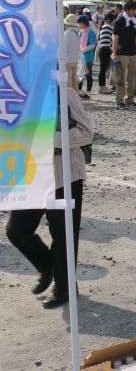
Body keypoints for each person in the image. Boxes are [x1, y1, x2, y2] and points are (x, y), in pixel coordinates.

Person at [6, 91, 92, 308]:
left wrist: (48, 137)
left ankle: (64, 288)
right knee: (17, 230)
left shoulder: (65, 94)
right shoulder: (17, 94)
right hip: (32, 175)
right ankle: (47, 266)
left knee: (63, 235)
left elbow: (86, 132)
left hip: (64, 175)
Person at [59, 13, 80, 91]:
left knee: (69, 81)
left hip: (68, 60)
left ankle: (71, 100)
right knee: (74, 80)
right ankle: (76, 97)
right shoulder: (76, 33)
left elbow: (63, 48)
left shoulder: (67, 34)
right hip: (75, 59)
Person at [77, 15, 96, 98]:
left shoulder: (91, 32)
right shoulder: (80, 32)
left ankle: (89, 91)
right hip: (80, 56)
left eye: (80, 23)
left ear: (84, 23)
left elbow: (93, 44)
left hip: (88, 56)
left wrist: (84, 49)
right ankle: (79, 90)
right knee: (80, 74)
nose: (79, 25)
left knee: (88, 74)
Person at [96, 12, 114, 94]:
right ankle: (102, 87)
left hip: (102, 49)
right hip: (105, 49)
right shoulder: (108, 27)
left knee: (103, 69)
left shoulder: (102, 27)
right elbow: (112, 39)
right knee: (103, 69)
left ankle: (102, 86)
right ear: (110, 20)